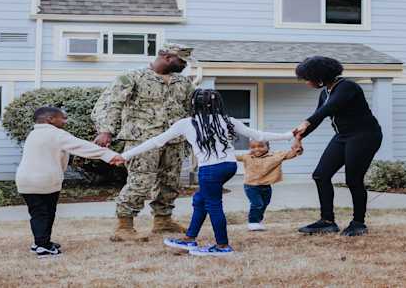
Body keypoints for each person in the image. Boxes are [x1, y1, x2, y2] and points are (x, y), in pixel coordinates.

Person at [121, 89, 296, 256]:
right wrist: (288, 135)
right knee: (200, 200)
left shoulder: (186, 123)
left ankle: (222, 245)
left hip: (210, 169)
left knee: (213, 205)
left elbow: (155, 141)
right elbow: (258, 134)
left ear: (193, 105)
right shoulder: (228, 120)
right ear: (217, 104)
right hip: (229, 166)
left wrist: (125, 155)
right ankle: (190, 238)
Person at [91, 43, 195, 242]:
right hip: (142, 140)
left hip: (174, 141)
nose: (184, 65)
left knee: (170, 182)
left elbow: (191, 108)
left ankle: (163, 221)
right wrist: (106, 130)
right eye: (181, 61)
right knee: (140, 182)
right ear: (166, 56)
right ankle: (124, 226)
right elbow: (110, 103)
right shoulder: (132, 77)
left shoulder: (183, 82)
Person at [15, 107, 125, 257]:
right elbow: (82, 147)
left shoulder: (34, 134)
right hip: (45, 181)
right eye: (63, 118)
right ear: (50, 119)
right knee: (45, 213)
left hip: (25, 180)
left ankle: (41, 242)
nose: (65, 121)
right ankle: (43, 247)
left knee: (38, 213)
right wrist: (109, 155)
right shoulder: (56, 134)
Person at [292, 56, 383, 237]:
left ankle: (358, 223)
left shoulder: (347, 87)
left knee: (353, 180)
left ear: (319, 75)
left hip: (364, 136)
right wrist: (299, 137)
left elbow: (329, 108)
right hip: (342, 136)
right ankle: (327, 222)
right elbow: (319, 115)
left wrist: (306, 122)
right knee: (320, 175)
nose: (306, 82)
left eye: (308, 78)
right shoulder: (325, 92)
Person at [236, 140, 303, 231]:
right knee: (257, 204)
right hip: (251, 186)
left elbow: (290, 154)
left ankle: (258, 221)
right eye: (253, 147)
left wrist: (297, 150)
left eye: (260, 146)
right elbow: (231, 157)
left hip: (266, 186)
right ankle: (253, 222)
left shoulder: (275, 156)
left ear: (268, 147)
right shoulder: (247, 157)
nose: (257, 149)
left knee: (264, 204)